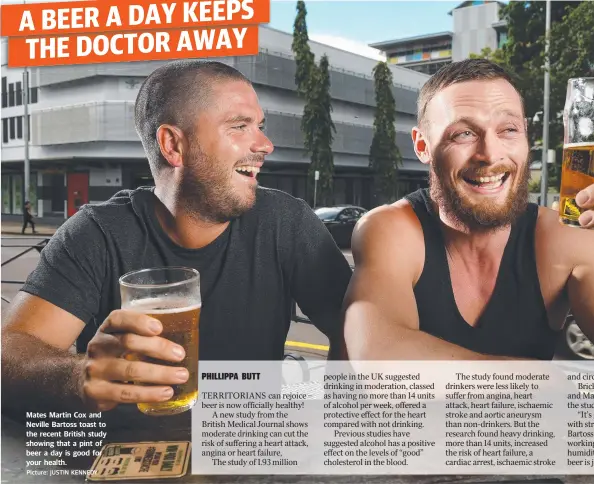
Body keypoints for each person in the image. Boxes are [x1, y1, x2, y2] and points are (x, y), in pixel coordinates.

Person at [1, 60, 352, 413]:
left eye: (259, 126)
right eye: (240, 126)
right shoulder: (97, 233)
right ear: (173, 145)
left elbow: (361, 336)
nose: (265, 144)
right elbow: (11, 353)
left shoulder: (287, 223)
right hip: (121, 453)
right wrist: (76, 377)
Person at [342, 59, 594, 386]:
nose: (490, 153)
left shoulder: (568, 241)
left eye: (508, 130)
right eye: (463, 133)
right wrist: (563, 384)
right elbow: (379, 361)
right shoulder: (391, 229)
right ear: (423, 146)